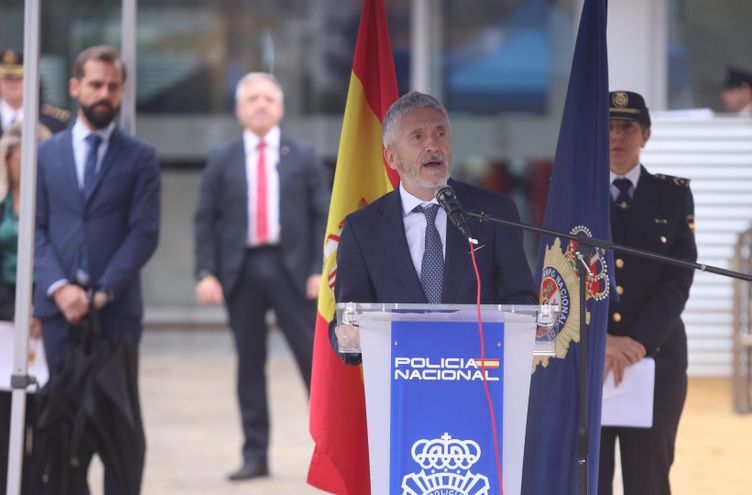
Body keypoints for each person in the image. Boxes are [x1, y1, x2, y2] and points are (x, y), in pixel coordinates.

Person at [33, 45, 160, 495]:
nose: (104, 93)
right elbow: (36, 228)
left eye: (112, 86)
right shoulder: (45, 156)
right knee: (63, 433)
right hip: (58, 317)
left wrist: (102, 292)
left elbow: (144, 233)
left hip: (116, 316)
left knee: (119, 434)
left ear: (122, 91)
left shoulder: (140, 156)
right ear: (75, 88)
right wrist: (59, 288)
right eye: (95, 84)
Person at [193, 72, 329, 481]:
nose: (261, 105)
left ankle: (331, 451)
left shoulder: (302, 155)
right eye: (252, 98)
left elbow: (322, 215)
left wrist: (319, 269)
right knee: (249, 365)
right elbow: (206, 219)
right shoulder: (223, 158)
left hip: (294, 270)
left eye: (269, 98)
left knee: (314, 363)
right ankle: (255, 456)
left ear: (282, 107)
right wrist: (206, 272)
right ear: (238, 109)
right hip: (242, 270)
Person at [330, 91, 537, 359]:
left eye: (440, 134)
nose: (432, 146)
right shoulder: (363, 228)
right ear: (391, 158)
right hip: (401, 383)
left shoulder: (492, 212)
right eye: (417, 137)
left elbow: (521, 299)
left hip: (480, 378)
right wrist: (347, 334)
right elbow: (348, 316)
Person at [598, 90, 697, 495]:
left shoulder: (672, 195)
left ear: (646, 134)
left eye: (627, 127)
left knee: (649, 479)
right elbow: (559, 275)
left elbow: (679, 278)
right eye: (608, 128)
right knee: (589, 479)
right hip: (593, 361)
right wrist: (600, 340)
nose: (617, 137)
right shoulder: (572, 194)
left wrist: (636, 342)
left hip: (656, 357)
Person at [0, 122, 51, 495]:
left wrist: (40, 307)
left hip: (44, 313)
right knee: (7, 414)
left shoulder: (54, 197)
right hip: (1, 316)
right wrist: (12, 309)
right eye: (18, 157)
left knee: (44, 414)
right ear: (6, 158)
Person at [0, 50, 70, 178]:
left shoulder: (54, 122)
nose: (12, 83)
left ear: (31, 79)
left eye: (19, 78)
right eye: (7, 78)